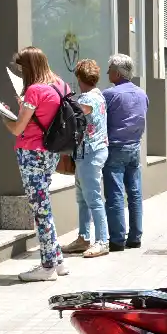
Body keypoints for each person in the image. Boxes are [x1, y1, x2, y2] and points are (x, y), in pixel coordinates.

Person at [4, 47, 68, 282]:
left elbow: (18, 128)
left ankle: (47, 266)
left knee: (40, 211)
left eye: (22, 68)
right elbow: (46, 114)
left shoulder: (34, 90)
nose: (21, 73)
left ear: (29, 67)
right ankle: (58, 260)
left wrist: (4, 116)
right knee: (44, 207)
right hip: (51, 152)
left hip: (32, 154)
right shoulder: (60, 85)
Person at [61, 60, 110, 259]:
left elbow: (74, 115)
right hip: (89, 153)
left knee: (93, 199)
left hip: (90, 153)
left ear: (79, 78)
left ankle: (102, 241)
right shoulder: (99, 95)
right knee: (83, 198)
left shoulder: (88, 99)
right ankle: (83, 237)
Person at [103, 54, 148, 251]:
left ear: (117, 73)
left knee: (115, 194)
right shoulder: (142, 94)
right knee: (135, 193)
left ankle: (117, 239)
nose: (107, 73)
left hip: (115, 147)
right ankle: (135, 237)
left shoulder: (109, 95)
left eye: (110, 70)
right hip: (134, 146)